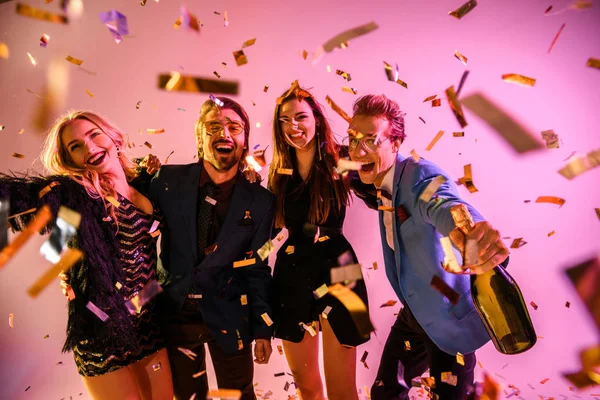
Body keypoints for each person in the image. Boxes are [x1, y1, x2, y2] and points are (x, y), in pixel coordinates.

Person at [0, 110, 173, 400]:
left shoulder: (145, 185)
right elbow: (54, 246)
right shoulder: (78, 195)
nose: (90, 148)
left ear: (112, 137)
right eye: (76, 146)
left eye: (93, 135)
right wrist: (72, 268)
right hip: (102, 333)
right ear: (70, 161)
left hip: (149, 322)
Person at [347, 94, 510, 400]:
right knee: (386, 393)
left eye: (371, 139)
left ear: (396, 144)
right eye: (354, 140)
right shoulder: (378, 181)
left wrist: (469, 232)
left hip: (447, 315)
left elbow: (443, 204)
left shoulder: (420, 176)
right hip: (414, 314)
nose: (359, 150)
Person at [147, 96, 275, 400]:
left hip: (230, 313)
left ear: (244, 140)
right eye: (213, 127)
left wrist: (262, 329)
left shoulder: (261, 201)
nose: (224, 133)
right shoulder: (166, 180)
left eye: (234, 127)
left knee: (240, 396)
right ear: (199, 137)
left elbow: (258, 266)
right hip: (175, 313)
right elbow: (131, 227)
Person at [267, 83, 372, 400]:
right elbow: (268, 232)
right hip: (292, 272)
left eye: (299, 117)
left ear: (316, 118)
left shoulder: (343, 158)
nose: (293, 127)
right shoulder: (279, 172)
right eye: (284, 120)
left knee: (343, 391)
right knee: (308, 389)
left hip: (340, 270)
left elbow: (380, 190)